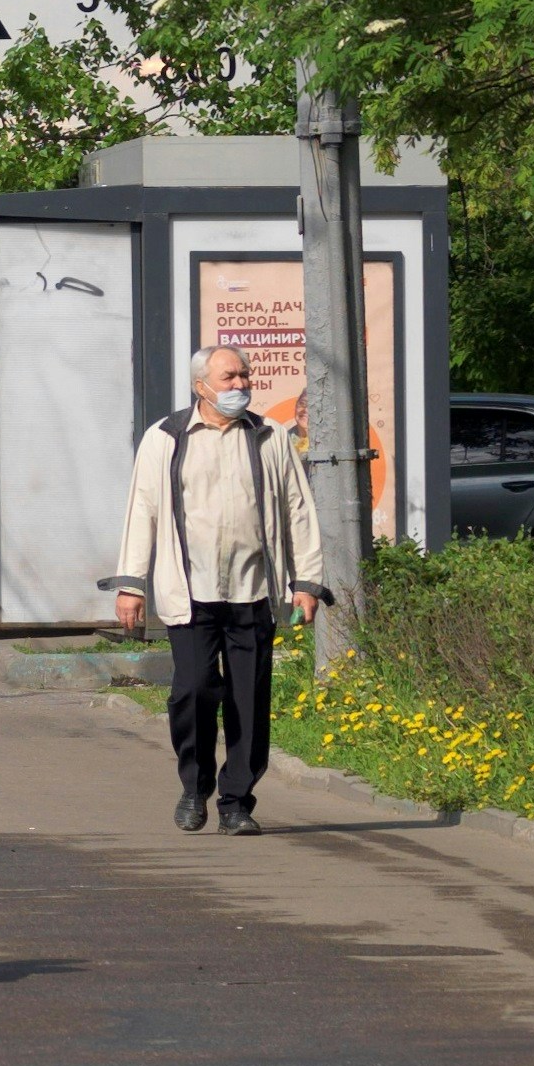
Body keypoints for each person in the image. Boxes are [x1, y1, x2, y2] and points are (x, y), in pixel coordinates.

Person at [103, 343, 333, 833]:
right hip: (189, 590)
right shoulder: (166, 437)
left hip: (252, 590)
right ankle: (194, 786)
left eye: (245, 377)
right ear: (200, 385)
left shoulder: (270, 437)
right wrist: (130, 584)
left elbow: (297, 508)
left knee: (249, 698)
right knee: (193, 691)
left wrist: (306, 581)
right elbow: (141, 509)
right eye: (230, 378)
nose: (241, 385)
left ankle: (236, 801)